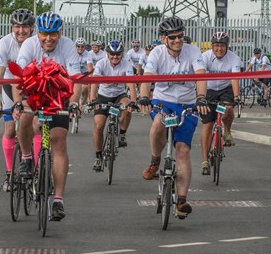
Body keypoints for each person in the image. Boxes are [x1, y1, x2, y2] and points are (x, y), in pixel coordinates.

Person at [13, 11, 82, 221]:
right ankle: (26, 157)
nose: (48, 38)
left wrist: (74, 103)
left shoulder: (68, 46)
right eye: (44, 34)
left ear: (60, 33)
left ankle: (58, 200)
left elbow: (76, 79)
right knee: (25, 117)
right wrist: (18, 103)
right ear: (38, 32)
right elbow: (19, 76)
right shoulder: (29, 45)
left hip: (59, 96)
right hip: (32, 92)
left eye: (53, 34)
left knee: (59, 140)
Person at [137, 16, 208, 219]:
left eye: (181, 36)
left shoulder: (193, 51)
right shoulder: (157, 53)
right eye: (173, 37)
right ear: (163, 38)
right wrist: (143, 96)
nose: (178, 41)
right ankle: (154, 161)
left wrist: (201, 97)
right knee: (158, 124)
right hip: (163, 102)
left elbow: (201, 75)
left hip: (187, 104)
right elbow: (148, 77)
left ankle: (182, 201)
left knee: (183, 151)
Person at [0, 9, 36, 192]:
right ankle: (9, 173)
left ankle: (37, 168)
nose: (21, 31)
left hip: (32, 87)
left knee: (36, 125)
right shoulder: (4, 43)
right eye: (17, 26)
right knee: (9, 130)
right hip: (10, 86)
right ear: (11, 27)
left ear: (32, 28)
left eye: (25, 27)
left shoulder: (37, 42)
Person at [89, 40, 137, 171]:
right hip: (103, 96)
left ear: (122, 54)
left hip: (119, 95)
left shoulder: (126, 64)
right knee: (99, 125)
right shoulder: (101, 63)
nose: (115, 57)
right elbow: (94, 82)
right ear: (107, 54)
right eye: (112, 54)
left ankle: (122, 133)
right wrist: (93, 100)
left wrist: (133, 101)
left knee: (127, 107)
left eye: (118, 54)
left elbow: (131, 84)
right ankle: (98, 156)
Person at [198, 32, 241, 175]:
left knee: (228, 108)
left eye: (222, 46)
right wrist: (201, 96)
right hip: (209, 90)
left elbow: (235, 79)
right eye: (216, 45)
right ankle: (204, 160)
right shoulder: (204, 57)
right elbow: (201, 77)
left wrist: (237, 96)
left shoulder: (234, 58)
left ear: (227, 46)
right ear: (212, 46)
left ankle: (227, 132)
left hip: (225, 89)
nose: (219, 49)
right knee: (207, 125)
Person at [75, 37, 91, 109]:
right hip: (75, 73)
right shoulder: (72, 53)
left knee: (85, 88)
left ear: (85, 47)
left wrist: (90, 76)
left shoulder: (88, 54)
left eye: (82, 46)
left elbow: (90, 67)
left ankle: (83, 104)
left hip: (85, 74)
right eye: (78, 46)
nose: (80, 48)